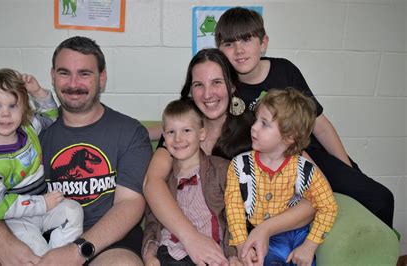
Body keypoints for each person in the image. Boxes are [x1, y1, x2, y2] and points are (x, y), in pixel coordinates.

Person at [0, 36, 152, 265]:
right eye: (64, 73)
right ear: (53, 76)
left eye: (84, 73)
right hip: (29, 226)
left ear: (101, 78)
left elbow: (130, 203)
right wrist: (2, 243)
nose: (73, 83)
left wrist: (77, 250)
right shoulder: (26, 130)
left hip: (102, 240)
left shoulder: (129, 132)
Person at [215, 7, 394, 228]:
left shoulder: (284, 71)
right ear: (220, 50)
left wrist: (347, 170)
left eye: (246, 39)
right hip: (269, 170)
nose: (239, 50)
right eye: (229, 43)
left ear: (263, 43)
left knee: (381, 199)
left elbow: (321, 127)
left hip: (313, 154)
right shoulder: (222, 86)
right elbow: (194, 118)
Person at [143, 48, 316, 266]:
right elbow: (152, 183)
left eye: (217, 82)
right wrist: (192, 239)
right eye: (199, 85)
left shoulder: (254, 130)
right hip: (185, 246)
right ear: (190, 90)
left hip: (248, 244)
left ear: (233, 86)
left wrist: (265, 230)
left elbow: (314, 195)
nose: (208, 94)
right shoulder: (181, 133)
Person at [0, 68, 83, 257]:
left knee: (73, 211)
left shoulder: (28, 130)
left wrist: (37, 92)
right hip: (17, 219)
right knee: (35, 252)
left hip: (43, 207)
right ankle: (47, 257)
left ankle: (58, 255)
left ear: (24, 110)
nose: (5, 114)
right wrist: (41, 203)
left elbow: (51, 114)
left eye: (13, 106)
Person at [225, 88, 338, 266]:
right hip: (265, 239)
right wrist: (241, 247)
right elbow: (234, 209)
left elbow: (328, 205)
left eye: (264, 124)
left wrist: (310, 246)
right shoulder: (239, 166)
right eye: (256, 120)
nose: (253, 127)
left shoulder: (305, 169)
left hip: (299, 233)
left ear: (289, 137)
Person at [142, 99, 236, 265]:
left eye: (186, 130)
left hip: (213, 252)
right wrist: (150, 254)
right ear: (163, 136)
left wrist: (233, 255)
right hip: (171, 253)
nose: (178, 138)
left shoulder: (221, 169)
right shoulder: (162, 178)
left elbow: (233, 217)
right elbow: (153, 220)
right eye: (171, 132)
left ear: (201, 133)